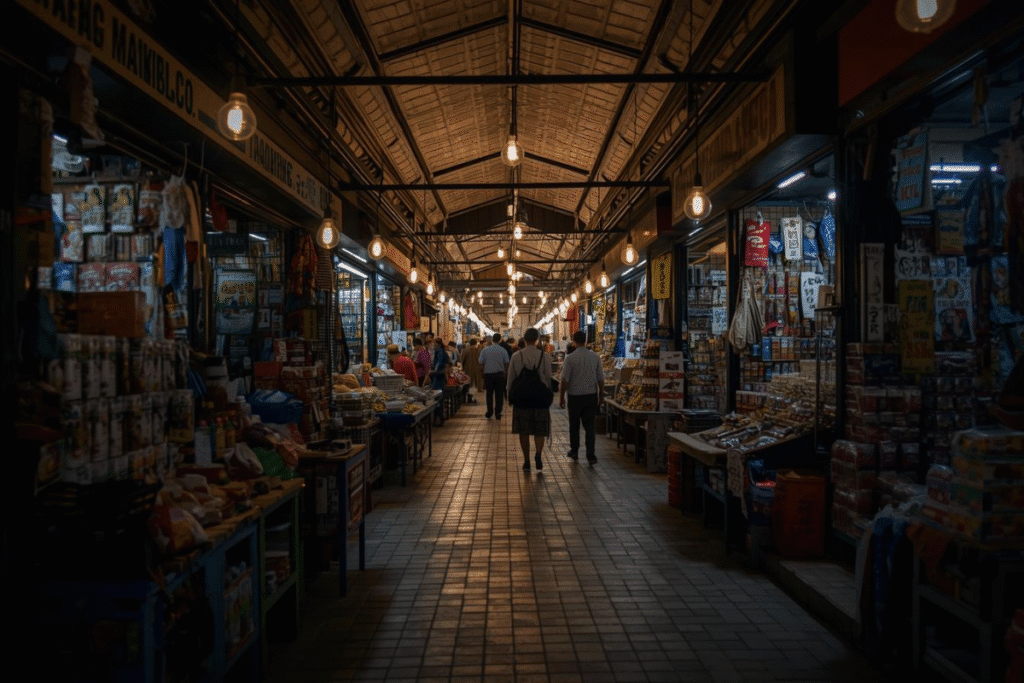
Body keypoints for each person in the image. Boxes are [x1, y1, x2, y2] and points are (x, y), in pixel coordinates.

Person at [507, 327, 553, 471]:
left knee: (524, 431)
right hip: (540, 399)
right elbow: (548, 378)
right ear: (537, 340)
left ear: (525, 340)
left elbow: (511, 378)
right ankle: (538, 455)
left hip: (522, 398)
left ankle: (526, 461)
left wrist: (509, 395)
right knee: (540, 430)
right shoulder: (545, 356)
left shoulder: (516, 356)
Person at [558, 329, 605, 465]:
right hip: (591, 396)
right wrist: (601, 394)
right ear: (585, 341)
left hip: (574, 397)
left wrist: (561, 396)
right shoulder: (595, 357)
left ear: (573, 341)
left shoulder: (570, 358)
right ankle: (591, 455)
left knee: (574, 425)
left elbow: (565, 380)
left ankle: (574, 451)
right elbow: (600, 379)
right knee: (590, 426)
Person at [478, 332, 510, 420]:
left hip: (488, 375)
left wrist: (482, 373)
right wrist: (505, 373)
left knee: (489, 394)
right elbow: (507, 362)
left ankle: (489, 412)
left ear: (492, 339)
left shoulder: (485, 350)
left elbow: (481, 362)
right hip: (499, 375)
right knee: (499, 394)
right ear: (500, 340)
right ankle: (498, 413)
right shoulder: (503, 350)